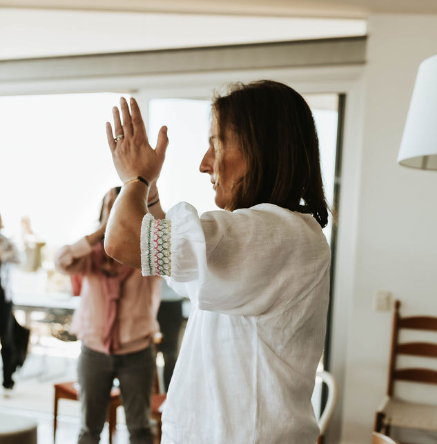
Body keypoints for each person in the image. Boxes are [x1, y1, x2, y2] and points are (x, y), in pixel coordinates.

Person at [104, 80, 331, 444]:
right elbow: (176, 263)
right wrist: (149, 190)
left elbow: (122, 240)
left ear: (261, 150)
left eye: (216, 143)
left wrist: (136, 177)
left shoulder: (273, 234)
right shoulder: (277, 237)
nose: (204, 163)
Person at [55, 188, 161, 444]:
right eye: (109, 206)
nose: (114, 211)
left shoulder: (146, 254)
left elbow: (165, 242)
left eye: (120, 206)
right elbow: (61, 261)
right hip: (94, 352)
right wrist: (99, 232)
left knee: (140, 429)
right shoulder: (90, 257)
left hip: (137, 352)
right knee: (89, 430)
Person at [0, 213, 29, 397]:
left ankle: (7, 381)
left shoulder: (6, 242)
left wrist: (3, 255)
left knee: (7, 339)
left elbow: (21, 259)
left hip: (4, 298)